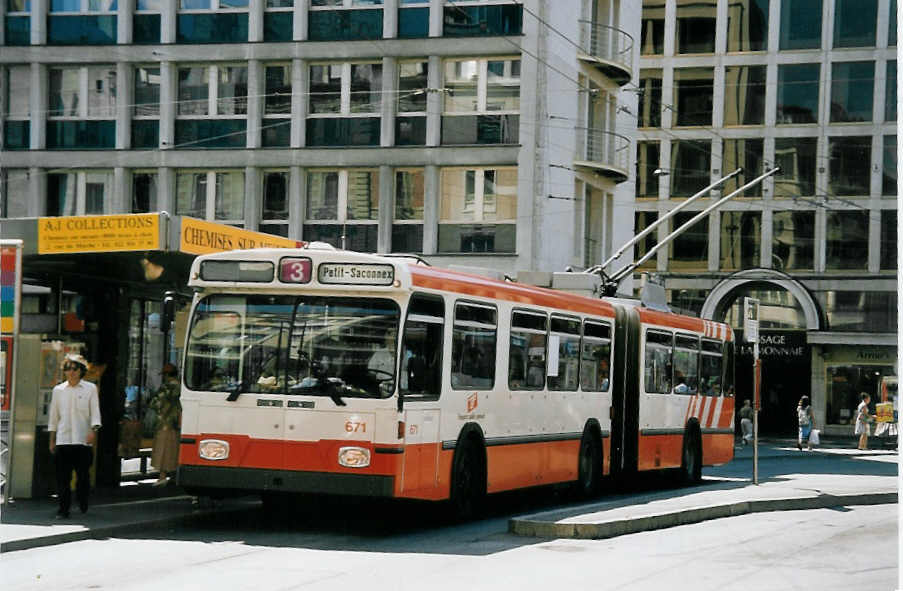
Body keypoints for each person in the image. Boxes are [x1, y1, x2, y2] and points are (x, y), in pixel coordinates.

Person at [48, 353, 101, 519]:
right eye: (67, 369)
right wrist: (52, 439)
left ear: (81, 370)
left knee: (83, 476)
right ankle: (63, 509)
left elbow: (95, 412)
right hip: (63, 439)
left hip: (82, 440)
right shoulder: (58, 390)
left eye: (74, 368)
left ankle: (83, 500)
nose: (71, 372)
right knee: (62, 478)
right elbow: (54, 416)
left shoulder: (90, 389)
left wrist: (93, 431)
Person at [150, 363, 182, 486]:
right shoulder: (181, 387)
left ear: (167, 375)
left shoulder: (166, 387)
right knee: (174, 449)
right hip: (176, 423)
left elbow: (155, 403)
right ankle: (174, 475)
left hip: (164, 423)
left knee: (162, 449)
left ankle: (162, 476)